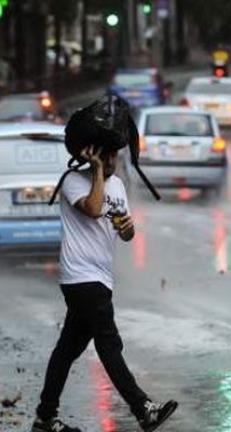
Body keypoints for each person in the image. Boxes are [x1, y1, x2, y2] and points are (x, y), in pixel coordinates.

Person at [33, 145, 178, 432]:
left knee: (67, 350)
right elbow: (93, 208)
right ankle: (142, 409)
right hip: (80, 278)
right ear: (93, 156)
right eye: (106, 156)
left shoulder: (118, 185)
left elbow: (125, 231)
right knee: (109, 344)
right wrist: (97, 170)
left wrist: (127, 229)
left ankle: (44, 418)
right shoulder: (73, 181)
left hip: (100, 277)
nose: (111, 161)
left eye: (113, 156)